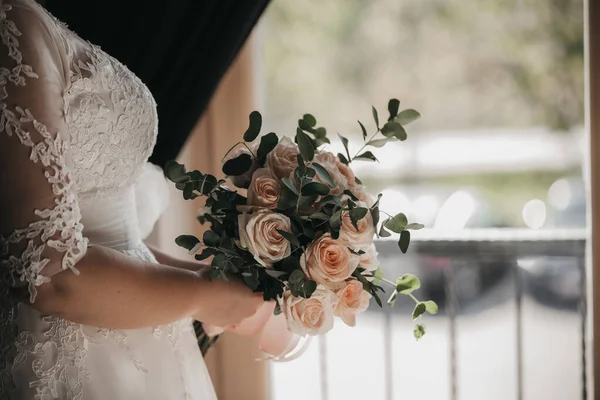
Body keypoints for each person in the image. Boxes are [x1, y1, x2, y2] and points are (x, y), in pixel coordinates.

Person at [0, 0, 268, 398]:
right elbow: (49, 274)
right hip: (71, 357)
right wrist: (203, 298)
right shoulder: (12, 25)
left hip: (144, 342)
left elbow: (107, 234)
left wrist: (205, 281)